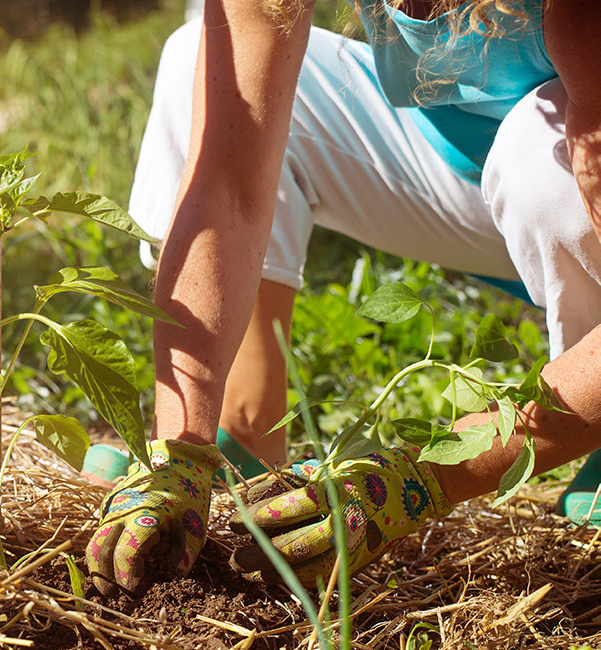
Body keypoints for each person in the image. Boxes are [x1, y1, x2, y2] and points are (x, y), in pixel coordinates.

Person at [86, 0, 601, 594]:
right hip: (462, 164)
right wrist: (179, 446)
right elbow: (229, 184)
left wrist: (420, 480)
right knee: (200, 57)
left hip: (561, 167)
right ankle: (241, 432)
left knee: (538, 151)